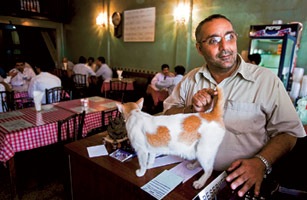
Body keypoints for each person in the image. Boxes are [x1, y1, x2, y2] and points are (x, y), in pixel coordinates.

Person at [163, 14, 305, 198]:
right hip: (190, 173)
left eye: (229, 37)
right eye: (214, 40)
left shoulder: (265, 81)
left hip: (241, 182)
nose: (225, 47)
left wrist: (260, 162)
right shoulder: (191, 79)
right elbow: (167, 114)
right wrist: (191, 110)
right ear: (199, 48)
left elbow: (290, 133)